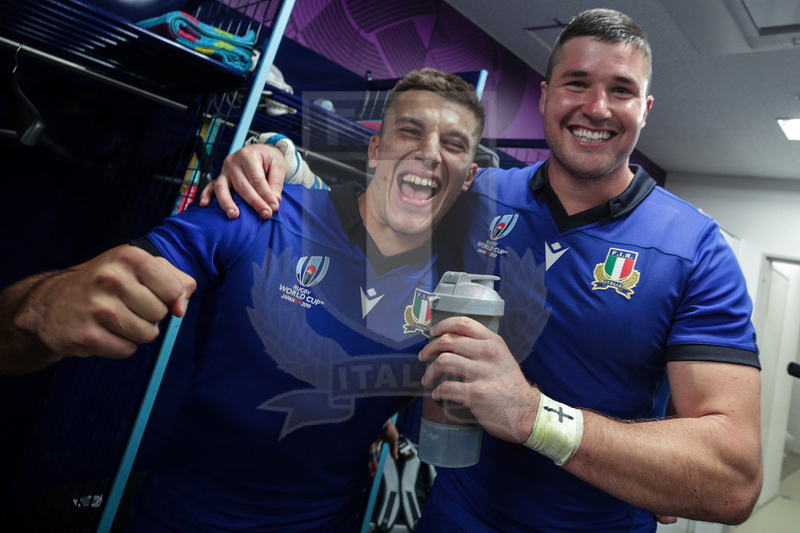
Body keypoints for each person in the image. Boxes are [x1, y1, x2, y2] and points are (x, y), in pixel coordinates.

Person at [205, 9, 762, 532]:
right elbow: (365, 221)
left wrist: (534, 417)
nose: (596, 107)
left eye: (621, 90)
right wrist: (279, 161)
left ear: (645, 108)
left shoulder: (697, 250)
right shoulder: (479, 194)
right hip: (450, 516)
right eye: (577, 83)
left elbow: (733, 482)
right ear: (545, 96)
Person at [0, 69, 485, 532]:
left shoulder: (460, 296)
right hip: (182, 520)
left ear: (469, 177)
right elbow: (27, 325)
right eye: (410, 131)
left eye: (454, 144)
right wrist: (38, 311)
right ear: (375, 151)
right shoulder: (259, 212)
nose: (429, 153)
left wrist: (376, 416)